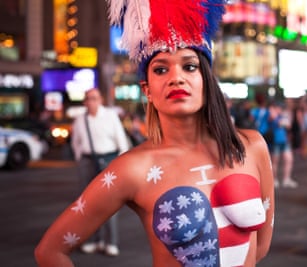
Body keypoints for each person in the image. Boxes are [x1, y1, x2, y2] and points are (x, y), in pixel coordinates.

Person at [35, 1, 275, 266]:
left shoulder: (252, 146)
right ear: (147, 89)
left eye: (190, 66)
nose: (176, 78)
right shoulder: (133, 168)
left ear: (206, 79)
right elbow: (50, 251)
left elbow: (261, 246)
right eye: (161, 69)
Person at [69, 87, 130, 256]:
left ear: (100, 100)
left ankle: (111, 242)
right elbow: (76, 142)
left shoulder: (110, 116)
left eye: (94, 98)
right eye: (88, 98)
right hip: (87, 162)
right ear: (85, 102)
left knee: (108, 204)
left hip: (108, 161)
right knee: (88, 204)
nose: (91, 102)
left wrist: (120, 165)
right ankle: (95, 240)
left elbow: (122, 141)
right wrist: (80, 159)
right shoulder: (81, 120)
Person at [269, 101, 298, 188]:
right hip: (275, 141)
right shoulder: (272, 116)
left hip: (284, 141)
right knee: (275, 161)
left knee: (289, 159)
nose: (279, 109)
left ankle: (286, 179)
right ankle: (274, 179)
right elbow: (279, 122)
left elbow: (288, 125)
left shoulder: (282, 115)